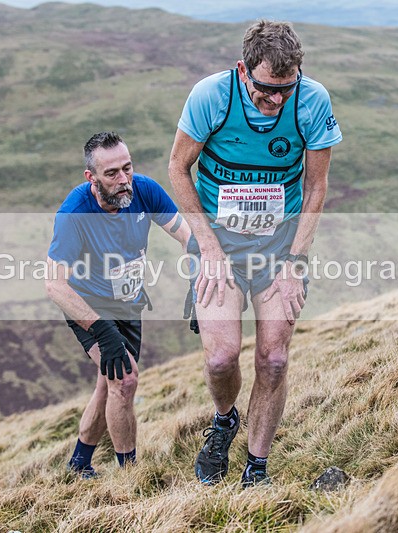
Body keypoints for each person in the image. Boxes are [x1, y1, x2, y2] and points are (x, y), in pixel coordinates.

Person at [168, 19, 342, 487]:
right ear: (243, 70)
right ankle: (225, 420)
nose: (276, 101)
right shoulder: (210, 96)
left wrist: (295, 262)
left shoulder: (312, 100)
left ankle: (256, 470)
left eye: (286, 89)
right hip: (219, 244)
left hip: (278, 246)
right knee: (221, 358)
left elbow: (316, 186)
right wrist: (207, 247)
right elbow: (178, 168)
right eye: (266, 89)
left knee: (274, 359)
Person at [45, 131, 190, 478]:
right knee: (124, 381)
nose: (124, 179)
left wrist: (199, 282)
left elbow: (188, 235)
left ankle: (79, 463)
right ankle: (130, 476)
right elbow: (54, 284)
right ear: (91, 178)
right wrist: (101, 330)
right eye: (111, 173)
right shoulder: (74, 213)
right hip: (87, 306)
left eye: (127, 168)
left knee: (108, 384)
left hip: (128, 303)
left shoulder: (145, 190)